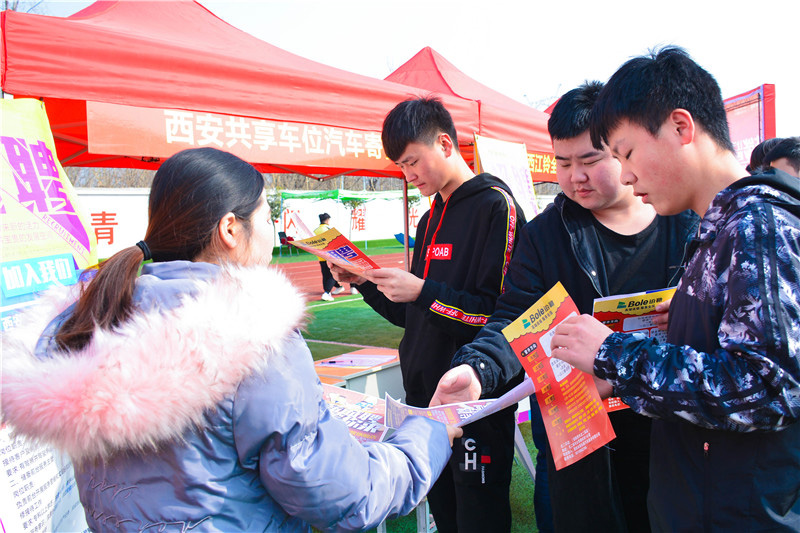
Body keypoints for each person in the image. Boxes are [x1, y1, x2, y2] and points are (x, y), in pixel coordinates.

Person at [1, 147, 461, 532]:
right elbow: (344, 493)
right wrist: (427, 435)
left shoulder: (93, 316)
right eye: (265, 218)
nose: (273, 232)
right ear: (229, 229)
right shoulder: (253, 338)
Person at [548, 47, 800, 531]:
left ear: (681, 127)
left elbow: (770, 388)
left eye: (626, 152)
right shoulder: (717, 227)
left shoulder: (756, 227)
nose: (624, 174)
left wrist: (614, 354)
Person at [430, 82, 699, 533]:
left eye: (590, 160)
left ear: (623, 150)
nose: (575, 176)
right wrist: (476, 369)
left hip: (668, 439)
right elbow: (514, 319)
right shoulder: (545, 235)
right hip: (575, 446)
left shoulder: (685, 223)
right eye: (563, 162)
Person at [330, 97, 526, 532]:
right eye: (401, 166)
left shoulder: (497, 207)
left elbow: (502, 318)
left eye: (412, 162)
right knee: (445, 512)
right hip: (421, 400)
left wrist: (423, 292)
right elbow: (415, 317)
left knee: (479, 515)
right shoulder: (430, 216)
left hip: (472, 401)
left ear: (444, 142)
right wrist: (362, 280)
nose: (408, 175)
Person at [314, 212, 350, 301]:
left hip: (321, 256)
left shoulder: (316, 230)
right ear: (327, 220)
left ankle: (337, 288)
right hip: (330, 256)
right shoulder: (327, 229)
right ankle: (327, 293)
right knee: (332, 275)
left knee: (325, 275)